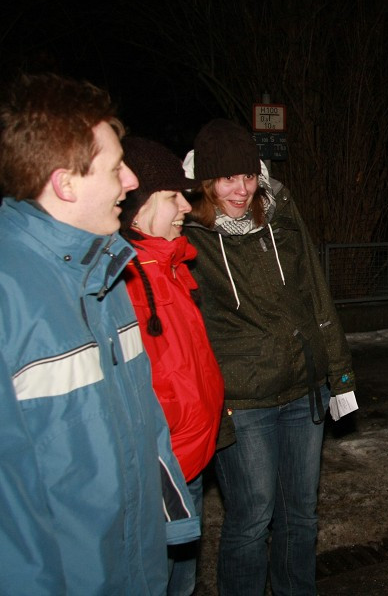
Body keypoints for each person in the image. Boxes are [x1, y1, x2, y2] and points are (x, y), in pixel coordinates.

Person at [0, 73, 199, 594]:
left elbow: (145, 422)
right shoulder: (9, 298)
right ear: (66, 183)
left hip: (137, 568)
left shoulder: (106, 273)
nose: (131, 181)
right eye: (116, 167)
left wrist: (172, 523)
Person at [181, 118, 357, 595]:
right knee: (252, 519)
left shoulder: (280, 212)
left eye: (248, 175)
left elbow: (316, 293)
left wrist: (338, 373)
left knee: (301, 513)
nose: (240, 188)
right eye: (226, 178)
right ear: (205, 181)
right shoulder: (190, 234)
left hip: (304, 387)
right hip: (243, 398)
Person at [118, 136, 225, 596]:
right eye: (171, 196)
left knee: (181, 583)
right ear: (138, 210)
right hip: (161, 472)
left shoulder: (171, 265)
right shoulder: (124, 281)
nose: (185, 204)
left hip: (191, 459)